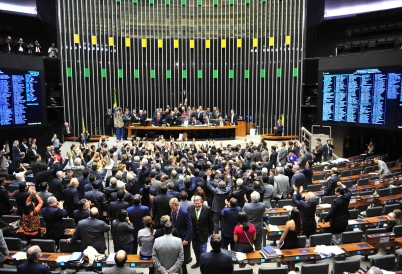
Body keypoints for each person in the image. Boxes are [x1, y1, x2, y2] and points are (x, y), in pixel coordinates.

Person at [187, 196, 214, 269]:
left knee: (203, 250)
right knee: (196, 250)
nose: (197, 205)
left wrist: (211, 232)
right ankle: (198, 262)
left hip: (204, 233)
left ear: (202, 202)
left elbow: (210, 222)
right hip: (194, 234)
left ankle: (204, 265)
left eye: (198, 203)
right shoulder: (189, 208)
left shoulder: (207, 209)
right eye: (195, 204)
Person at [169, 198, 192, 274]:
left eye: (173, 207)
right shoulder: (172, 211)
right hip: (175, 238)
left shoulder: (184, 213)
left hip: (183, 239)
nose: (172, 209)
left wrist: (186, 239)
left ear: (176, 205)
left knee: (182, 259)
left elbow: (189, 227)